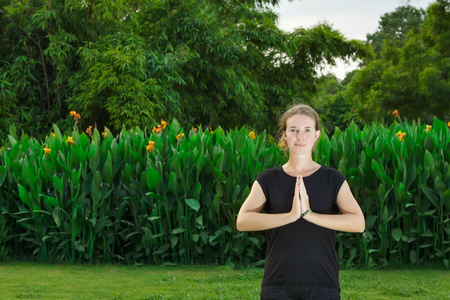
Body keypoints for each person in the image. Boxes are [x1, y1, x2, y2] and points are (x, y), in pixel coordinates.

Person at [236, 104, 365, 300]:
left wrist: (309, 215)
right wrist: (290, 216)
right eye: (294, 130)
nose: (300, 136)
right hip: (277, 285)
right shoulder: (268, 179)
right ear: (285, 135)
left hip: (323, 285)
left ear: (316, 135)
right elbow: (243, 221)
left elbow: (358, 223)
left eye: (307, 130)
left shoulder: (333, 178)